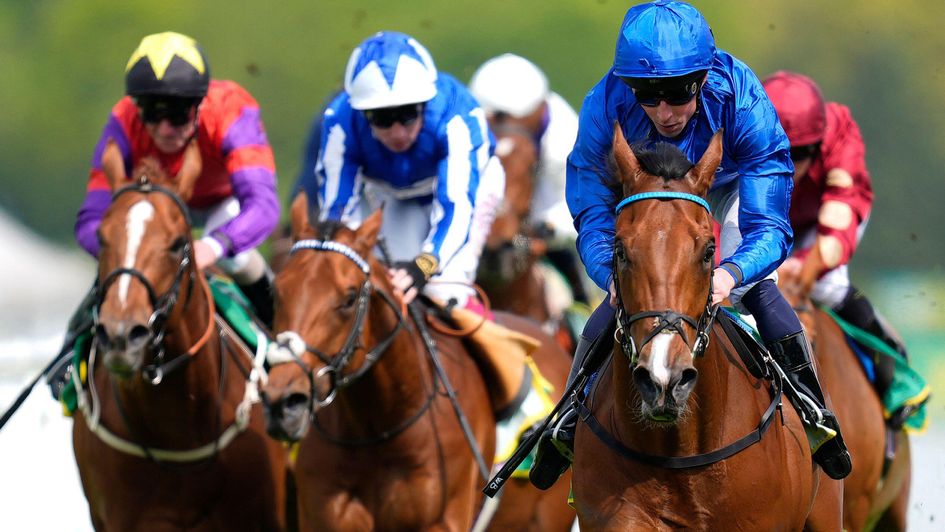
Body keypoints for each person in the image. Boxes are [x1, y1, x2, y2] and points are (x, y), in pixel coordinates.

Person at [530, 0, 851, 486]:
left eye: (678, 94)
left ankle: (813, 409)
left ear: (702, 78)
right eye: (648, 95)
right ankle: (568, 417)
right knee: (626, 292)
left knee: (758, 290)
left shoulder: (742, 100)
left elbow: (769, 228)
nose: (664, 112)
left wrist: (731, 274)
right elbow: (592, 208)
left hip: (728, 186)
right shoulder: (605, 103)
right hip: (648, 191)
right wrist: (610, 274)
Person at [47, 31, 279, 398]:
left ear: (199, 104)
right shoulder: (122, 120)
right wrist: (122, 254)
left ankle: (282, 342)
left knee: (238, 262)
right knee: (123, 262)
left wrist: (214, 246)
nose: (164, 129)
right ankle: (67, 359)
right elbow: (91, 220)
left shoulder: (232, 109)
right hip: (155, 213)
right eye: (151, 114)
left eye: (176, 113)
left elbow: (263, 205)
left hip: (222, 205)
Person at [313, 31, 504, 310]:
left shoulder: (458, 117)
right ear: (362, 114)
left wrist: (427, 263)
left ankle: (503, 351)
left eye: (408, 114)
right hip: (394, 195)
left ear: (425, 104)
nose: (398, 132)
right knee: (385, 286)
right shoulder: (340, 122)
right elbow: (338, 212)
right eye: (382, 119)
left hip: (468, 190)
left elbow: (457, 206)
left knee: (445, 290)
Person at [763, 71, 909, 409]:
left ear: (819, 143)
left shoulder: (841, 136)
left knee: (825, 285)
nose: (790, 165)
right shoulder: (737, 132)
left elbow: (837, 223)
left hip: (826, 215)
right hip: (769, 215)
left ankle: (889, 357)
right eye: (778, 152)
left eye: (801, 153)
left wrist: (802, 270)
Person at [468, 53, 591, 304]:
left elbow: (581, 205)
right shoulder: (470, 129)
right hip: (488, 231)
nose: (506, 127)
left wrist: (547, 230)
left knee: (578, 268)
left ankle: (584, 316)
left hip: (544, 230)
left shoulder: (566, 138)